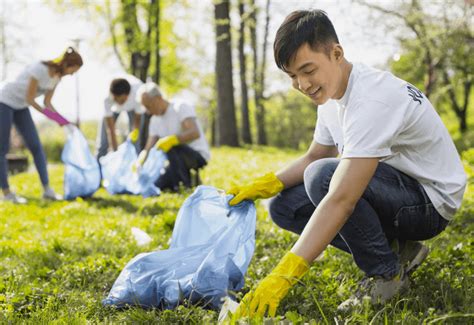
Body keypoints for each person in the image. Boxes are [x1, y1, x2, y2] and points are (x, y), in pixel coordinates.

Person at [229, 10, 466, 319]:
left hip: (430, 202)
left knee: (324, 178)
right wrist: (267, 184)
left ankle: (386, 274)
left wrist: (283, 275)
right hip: (397, 191)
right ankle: (397, 251)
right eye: (292, 76)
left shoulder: (372, 98)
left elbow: (342, 197)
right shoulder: (330, 96)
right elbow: (316, 154)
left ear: (336, 53)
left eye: (307, 70)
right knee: (286, 206)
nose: (302, 84)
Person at [0, 47, 83, 204]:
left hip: (21, 106)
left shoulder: (56, 78)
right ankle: (6, 193)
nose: (72, 74)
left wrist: (63, 121)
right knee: (2, 148)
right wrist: (53, 117)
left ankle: (47, 190)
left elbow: (47, 103)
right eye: (73, 70)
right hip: (5, 100)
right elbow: (31, 99)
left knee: (36, 146)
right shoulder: (40, 69)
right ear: (67, 64)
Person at [134, 82, 210, 191]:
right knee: (158, 184)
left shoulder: (180, 107)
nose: (148, 111)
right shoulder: (154, 120)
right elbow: (148, 147)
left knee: (171, 147)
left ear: (158, 98)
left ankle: (184, 185)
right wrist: (140, 161)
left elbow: (194, 132)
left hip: (196, 155)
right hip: (174, 160)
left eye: (148, 106)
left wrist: (173, 140)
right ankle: (191, 180)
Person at [96, 75, 145, 159]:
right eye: (121, 100)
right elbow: (110, 129)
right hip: (114, 109)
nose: (123, 102)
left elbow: (137, 119)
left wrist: (134, 133)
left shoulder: (139, 92)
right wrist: (116, 154)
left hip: (134, 109)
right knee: (103, 142)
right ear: (114, 96)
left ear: (128, 95)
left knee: (135, 141)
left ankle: (135, 165)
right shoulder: (107, 98)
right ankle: (99, 166)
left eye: (125, 99)